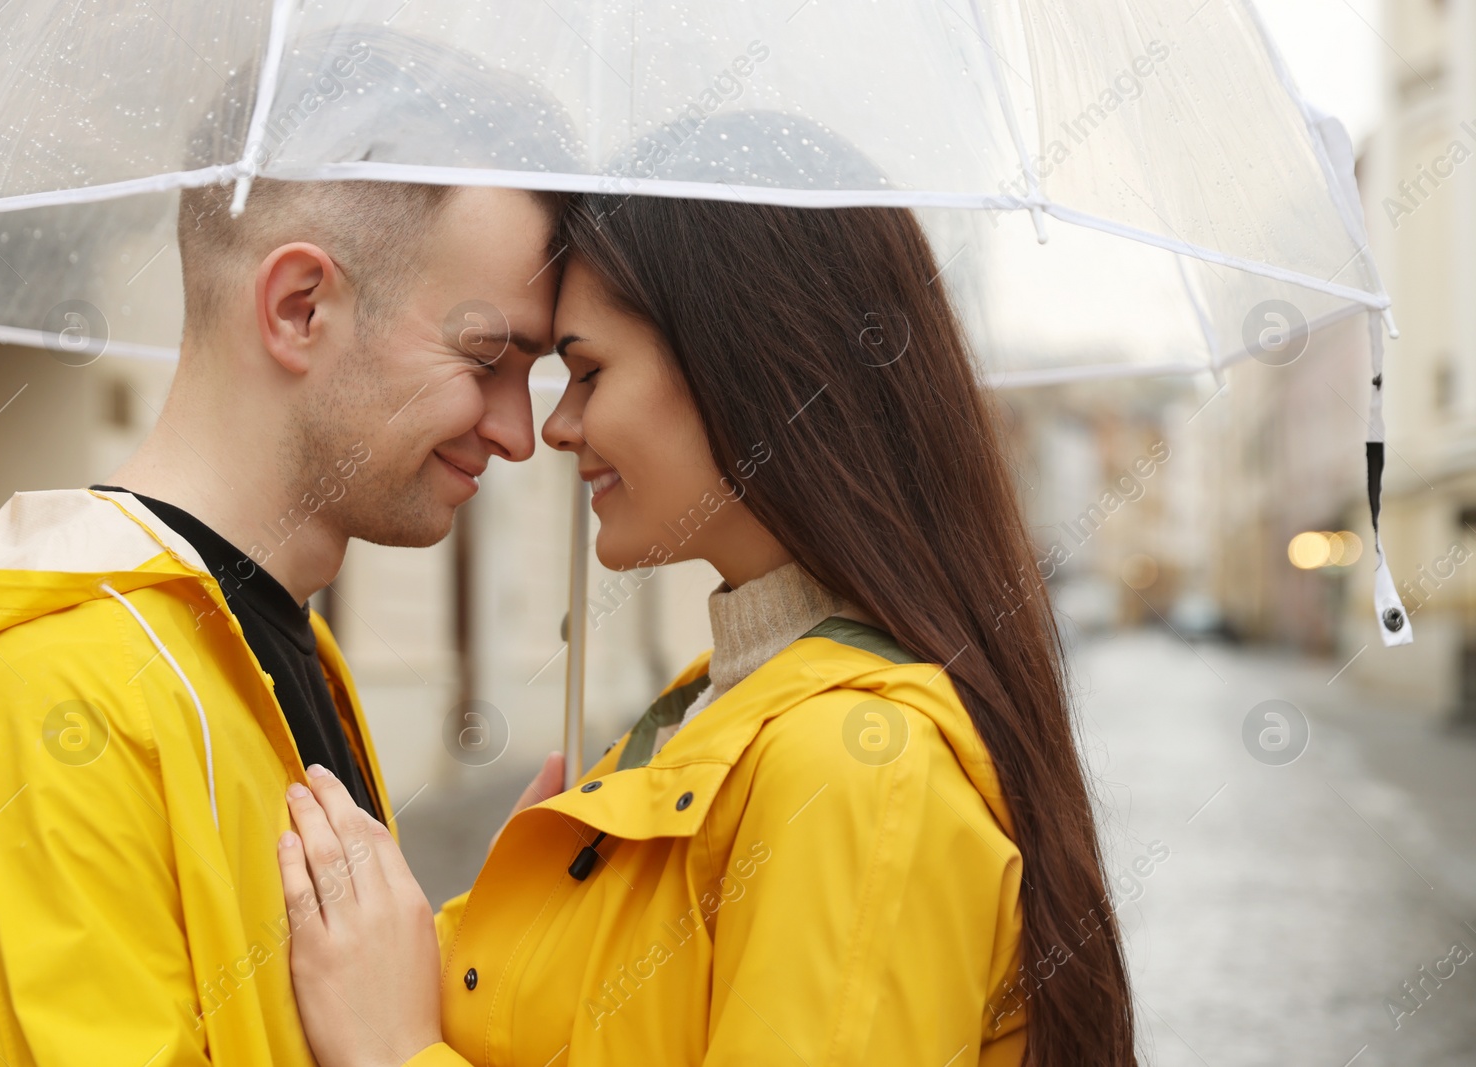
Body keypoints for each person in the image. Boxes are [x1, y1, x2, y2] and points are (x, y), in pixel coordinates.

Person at [273, 166, 1138, 1063]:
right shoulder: (715, 705)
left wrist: (392, 1053)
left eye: (587, 371)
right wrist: (532, 913)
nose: (556, 427)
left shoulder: (855, 763)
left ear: (740, 365)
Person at [0, 22, 579, 1058]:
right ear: (299, 308)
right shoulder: (50, 704)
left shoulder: (269, 646)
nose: (521, 432)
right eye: (485, 356)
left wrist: (479, 947)